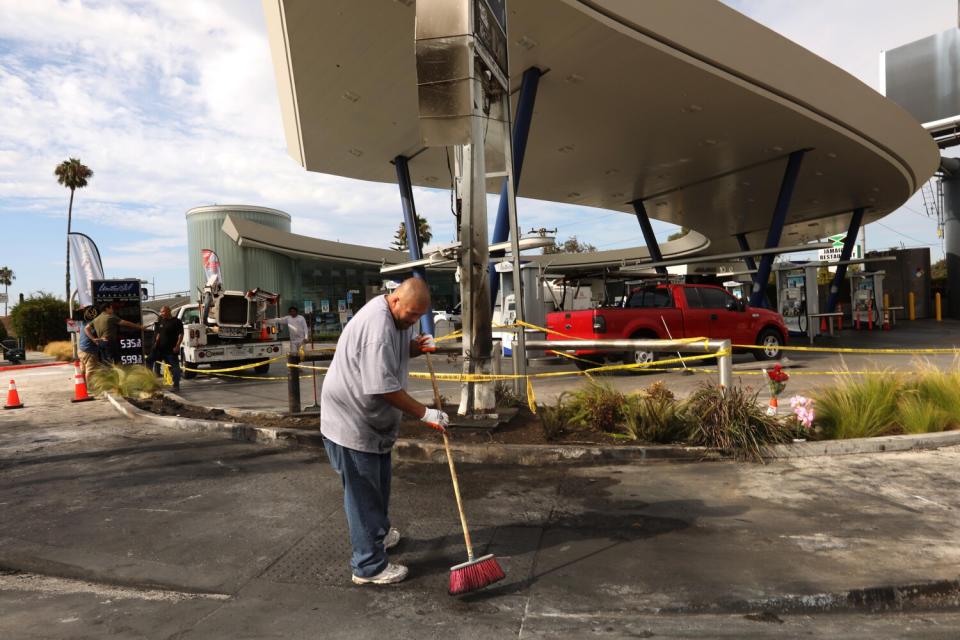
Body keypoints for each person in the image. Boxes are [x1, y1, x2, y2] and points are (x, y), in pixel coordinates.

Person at [320, 278, 448, 586]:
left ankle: (376, 534)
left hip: (369, 422)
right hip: (350, 422)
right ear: (395, 301)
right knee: (364, 493)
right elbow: (380, 387)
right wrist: (424, 412)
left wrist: (413, 347)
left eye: (419, 317)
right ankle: (368, 565)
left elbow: (392, 351)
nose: (414, 321)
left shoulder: (393, 319)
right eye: (412, 315)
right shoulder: (378, 326)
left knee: (378, 484)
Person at [146, 306, 184, 392]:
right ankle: (150, 382)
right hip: (159, 349)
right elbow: (159, 333)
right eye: (161, 312)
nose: (161, 313)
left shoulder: (176, 322)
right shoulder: (161, 320)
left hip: (171, 350)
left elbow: (181, 335)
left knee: (174, 367)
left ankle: (176, 385)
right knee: (148, 360)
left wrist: (177, 346)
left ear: (168, 311)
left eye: (163, 312)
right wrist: (156, 343)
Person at [78, 308, 100, 382]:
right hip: (89, 350)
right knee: (91, 370)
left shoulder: (82, 322)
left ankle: (83, 387)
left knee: (83, 369)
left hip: (81, 349)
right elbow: (89, 332)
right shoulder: (92, 323)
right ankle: (90, 389)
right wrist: (95, 340)